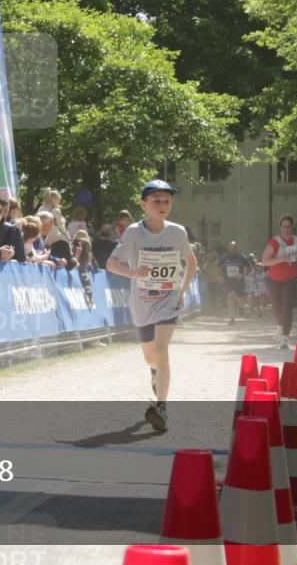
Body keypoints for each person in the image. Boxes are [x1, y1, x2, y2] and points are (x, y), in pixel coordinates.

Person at [106, 180, 197, 432]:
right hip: (142, 303)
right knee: (150, 358)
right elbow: (111, 264)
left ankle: (161, 407)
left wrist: (182, 290)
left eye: (167, 201)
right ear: (143, 205)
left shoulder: (178, 232)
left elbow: (191, 262)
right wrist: (134, 272)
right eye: (157, 201)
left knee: (161, 351)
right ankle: (156, 373)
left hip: (168, 300)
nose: (162, 205)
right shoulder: (134, 232)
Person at [262, 214, 297, 349]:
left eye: (289, 227)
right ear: (280, 228)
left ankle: (285, 338)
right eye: (284, 227)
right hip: (275, 279)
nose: (286, 229)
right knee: (276, 307)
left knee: (287, 307)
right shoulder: (275, 241)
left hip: (291, 278)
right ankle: (280, 326)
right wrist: (281, 259)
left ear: (292, 227)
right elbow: (265, 261)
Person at [219, 241, 252, 326]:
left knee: (239, 298)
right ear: (228, 247)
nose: (233, 248)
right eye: (231, 247)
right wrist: (222, 276)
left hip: (239, 282)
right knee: (230, 297)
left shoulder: (242, 257)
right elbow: (220, 269)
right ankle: (232, 318)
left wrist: (242, 275)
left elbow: (249, 269)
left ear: (237, 248)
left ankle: (241, 306)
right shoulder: (224, 258)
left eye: (234, 247)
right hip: (229, 281)